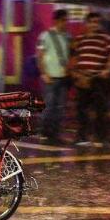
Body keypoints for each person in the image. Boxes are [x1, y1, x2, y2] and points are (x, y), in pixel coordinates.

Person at [70, 12, 110, 147]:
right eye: (91, 22)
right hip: (82, 78)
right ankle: (82, 137)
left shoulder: (106, 38)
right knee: (82, 110)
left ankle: (101, 137)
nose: (94, 24)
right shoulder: (79, 39)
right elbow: (74, 56)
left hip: (98, 78)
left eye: (97, 22)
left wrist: (108, 69)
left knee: (100, 109)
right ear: (86, 23)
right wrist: (75, 73)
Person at [37, 9, 71, 145]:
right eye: (63, 20)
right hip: (50, 78)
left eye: (66, 20)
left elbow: (71, 55)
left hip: (63, 77)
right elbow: (40, 56)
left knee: (60, 107)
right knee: (49, 106)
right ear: (56, 21)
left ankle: (55, 133)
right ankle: (44, 132)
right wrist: (44, 73)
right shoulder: (45, 36)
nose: (65, 23)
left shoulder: (68, 37)